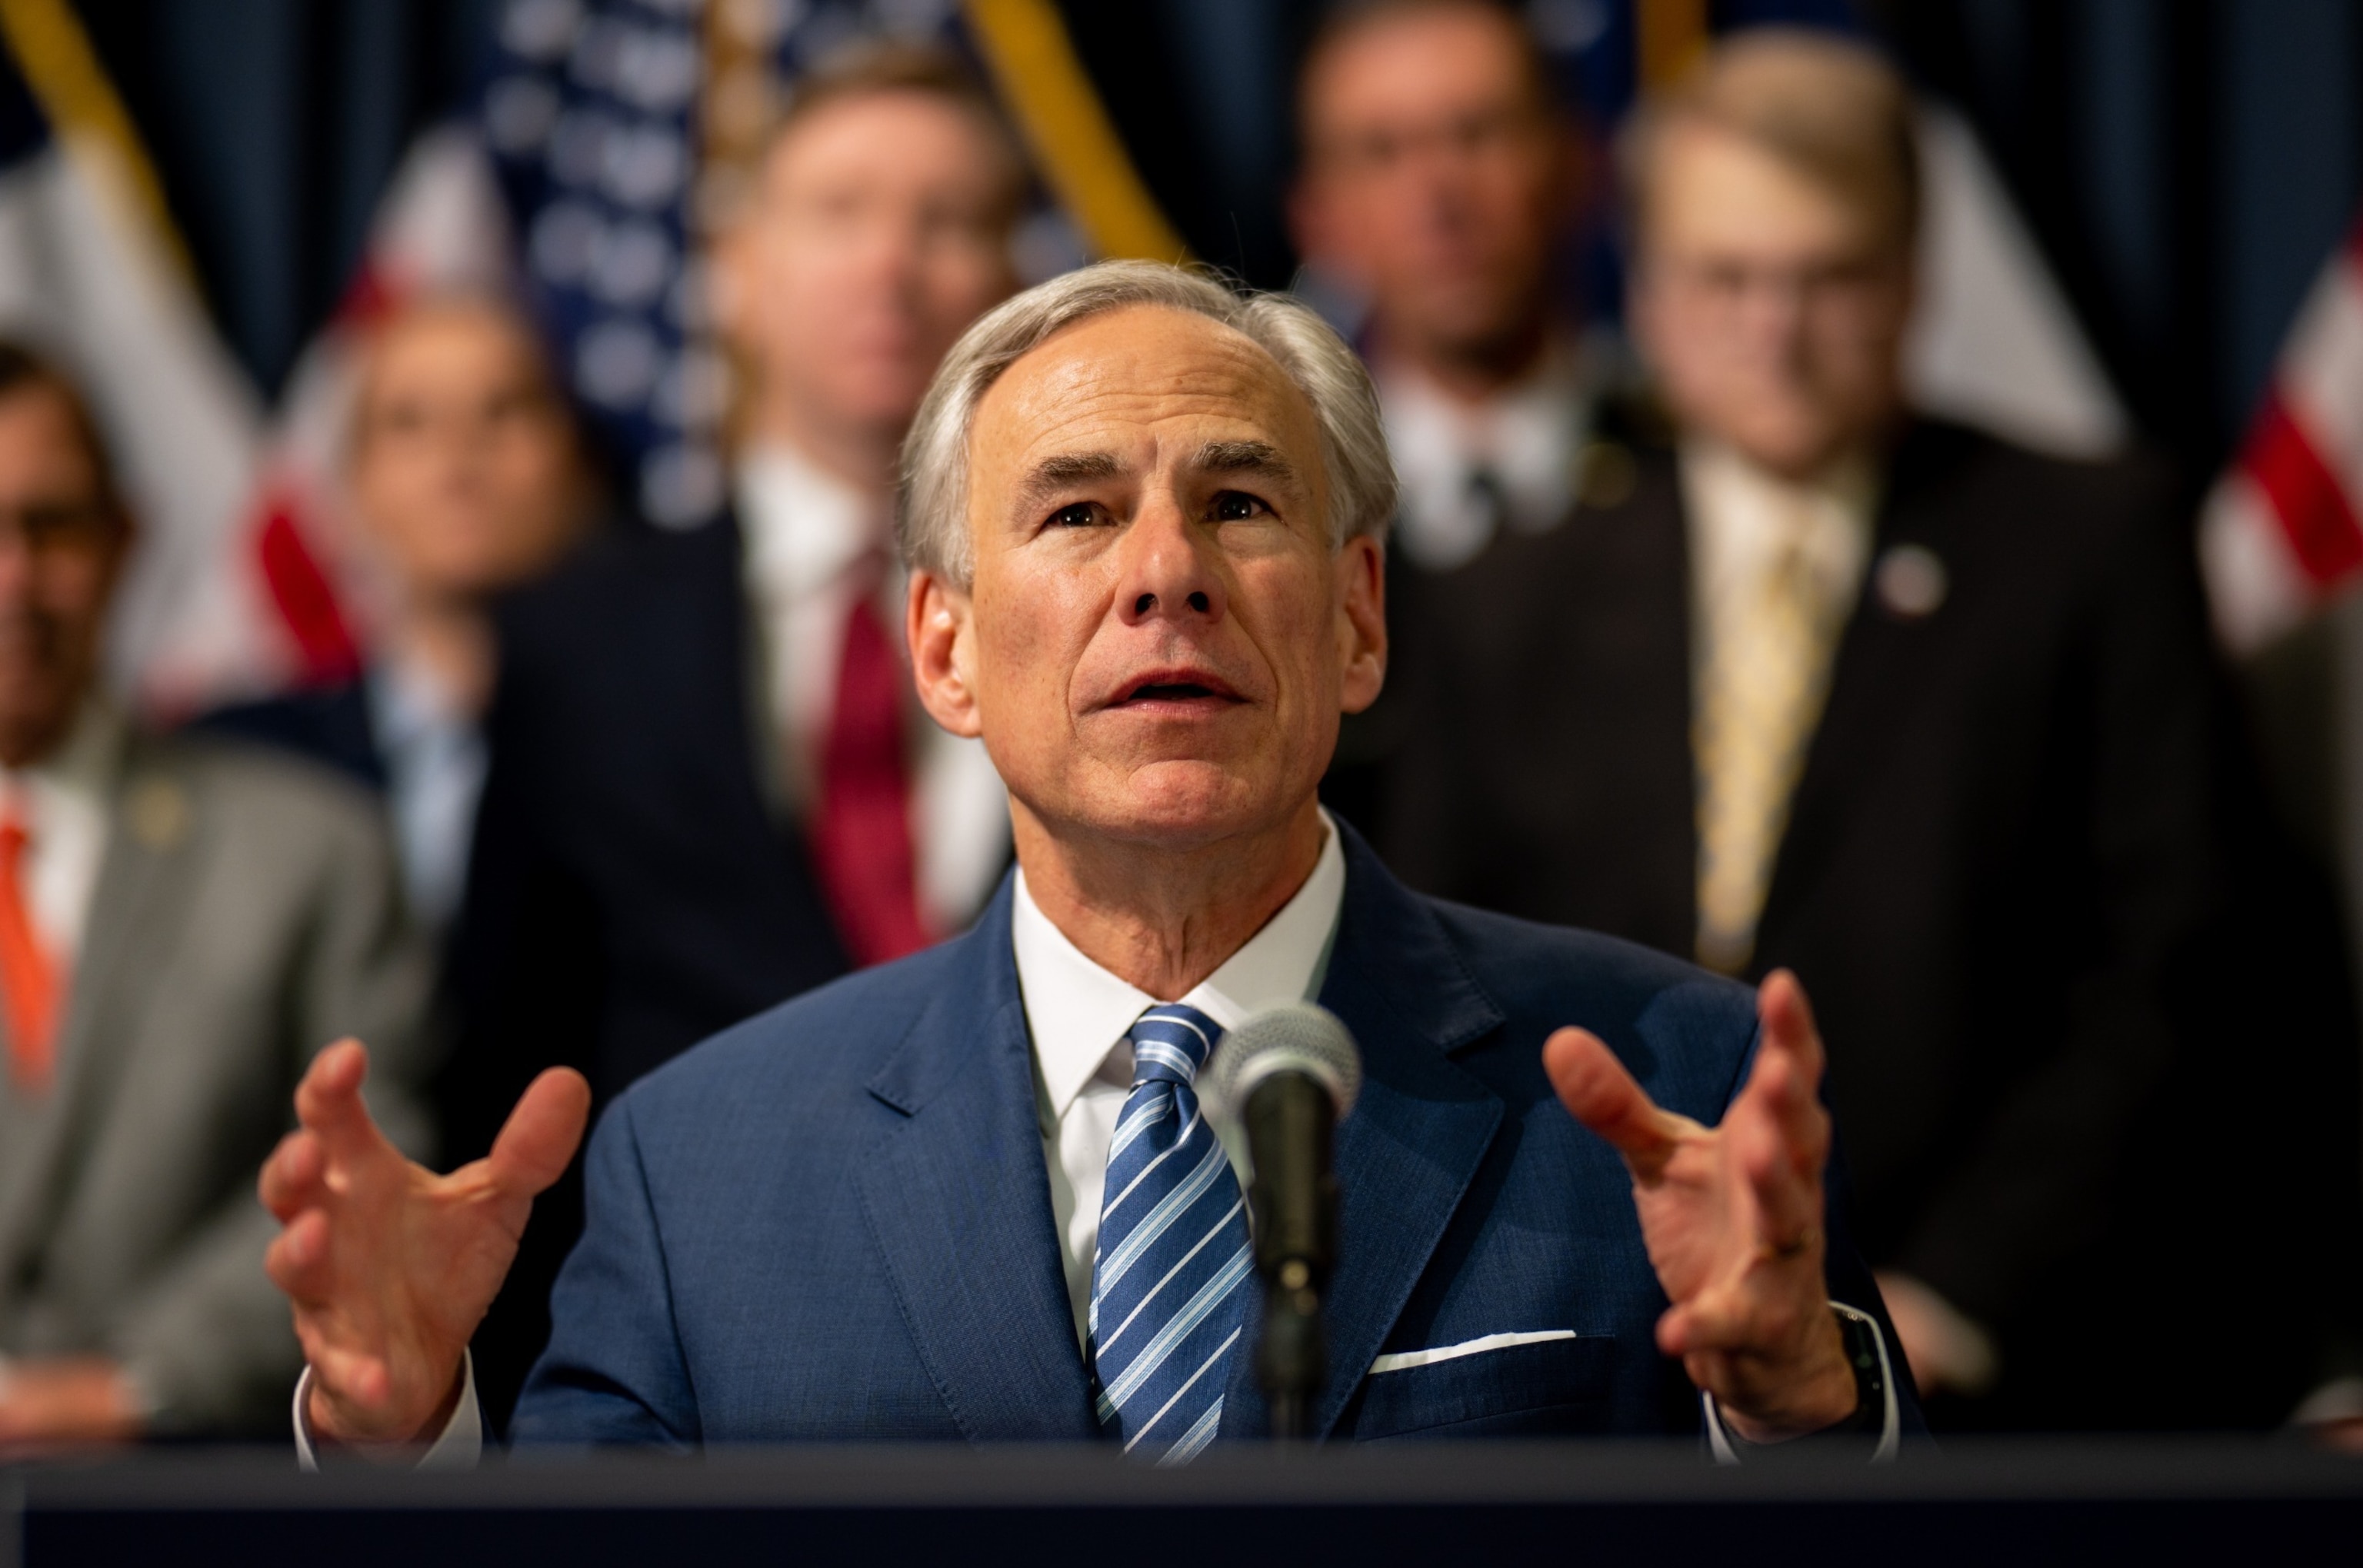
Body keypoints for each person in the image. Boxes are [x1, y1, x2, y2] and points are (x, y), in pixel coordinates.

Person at [262, 259, 1920, 1462]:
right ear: (947, 650)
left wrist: (1791, 1408)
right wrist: (404, 1446)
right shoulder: (696, 1178)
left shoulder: (1665, 1084)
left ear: (1357, 618)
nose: (1164, 575)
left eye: (1244, 502)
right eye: (1072, 513)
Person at [1372, 29, 2361, 1427]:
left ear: (1911, 280)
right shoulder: (1500, 597)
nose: (1772, 328)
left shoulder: (2090, 544)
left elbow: (2177, 963)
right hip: (1605, 1370)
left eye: (1827, 275)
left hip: (2013, 1374)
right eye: (1725, 277)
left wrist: (1941, 1296)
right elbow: (1443, 987)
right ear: (1645, 291)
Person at [441, 42, 1025, 1427]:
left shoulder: (1117, 615)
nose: (891, 263)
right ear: (738, 269)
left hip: (1060, 1380)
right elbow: (509, 1058)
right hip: (699, 1377)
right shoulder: (572, 635)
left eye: (945, 218)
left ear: (1012, 280)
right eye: (837, 212)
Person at [0, 341, 430, 1447]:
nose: (12, 579)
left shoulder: (312, 848)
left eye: (47, 526)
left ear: (123, 539)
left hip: (211, 1497)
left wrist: (135, 1386)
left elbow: (377, 1159)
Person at [1288, 0, 1609, 824]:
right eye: (1383, 152)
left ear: (1575, 165)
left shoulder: (1697, 477)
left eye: (1478, 133)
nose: (1440, 195)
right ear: (1318, 217)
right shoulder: (1282, 517)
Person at [201, 295, 595, 930]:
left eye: (503, 410)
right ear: (354, 486)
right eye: (410, 423)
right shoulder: (245, 760)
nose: (459, 458)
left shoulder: (675, 740)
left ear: (575, 465)